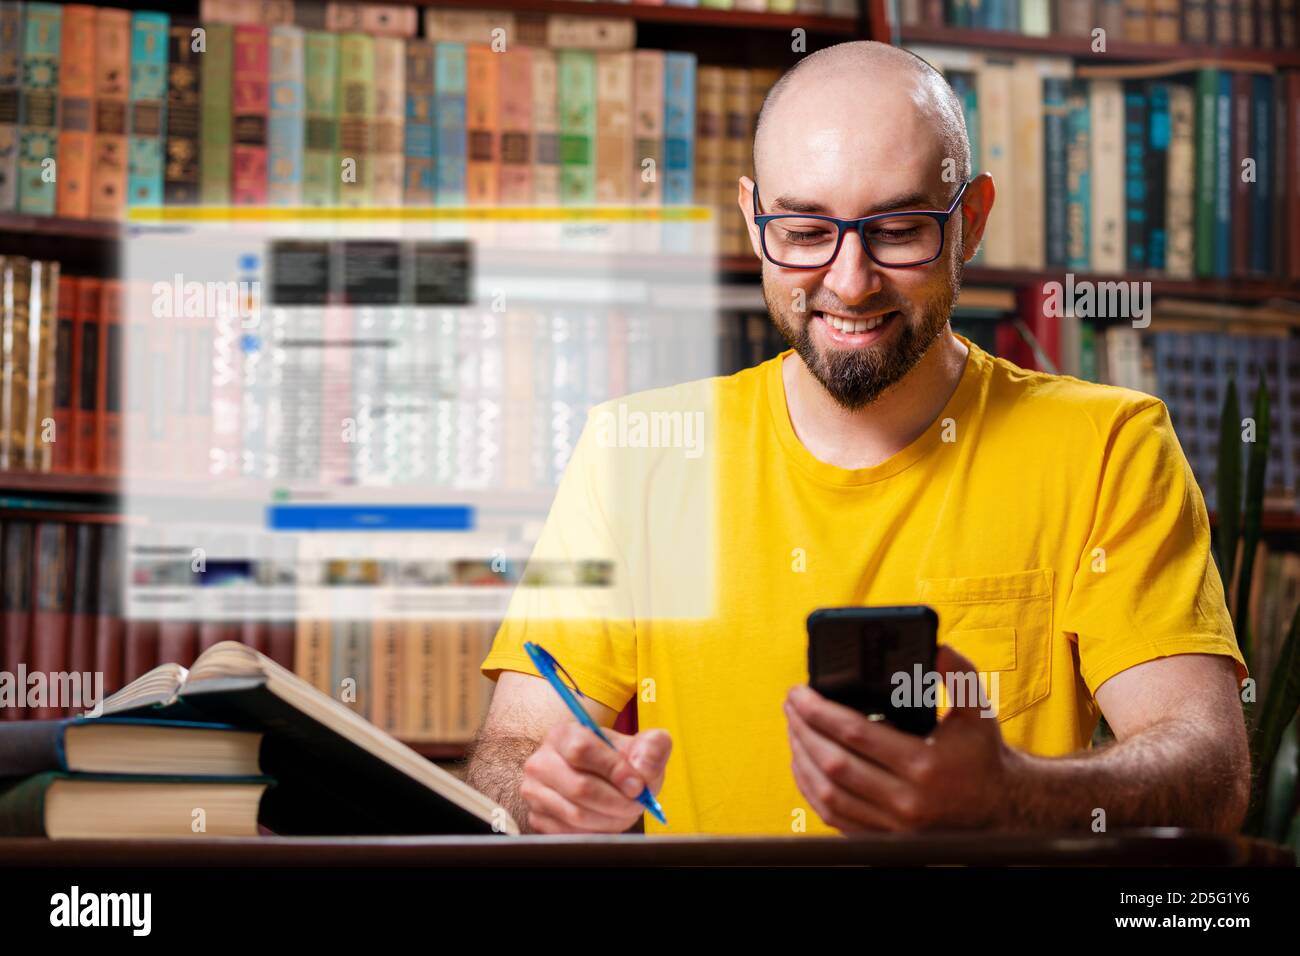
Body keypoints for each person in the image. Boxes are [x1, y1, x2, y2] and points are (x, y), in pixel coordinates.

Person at [464, 40, 1249, 836]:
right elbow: (508, 756)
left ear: (969, 221)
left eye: (900, 229)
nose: (848, 281)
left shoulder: (1110, 445)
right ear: (752, 218)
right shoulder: (632, 453)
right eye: (804, 232)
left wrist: (1012, 792)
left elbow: (1208, 771)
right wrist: (545, 793)